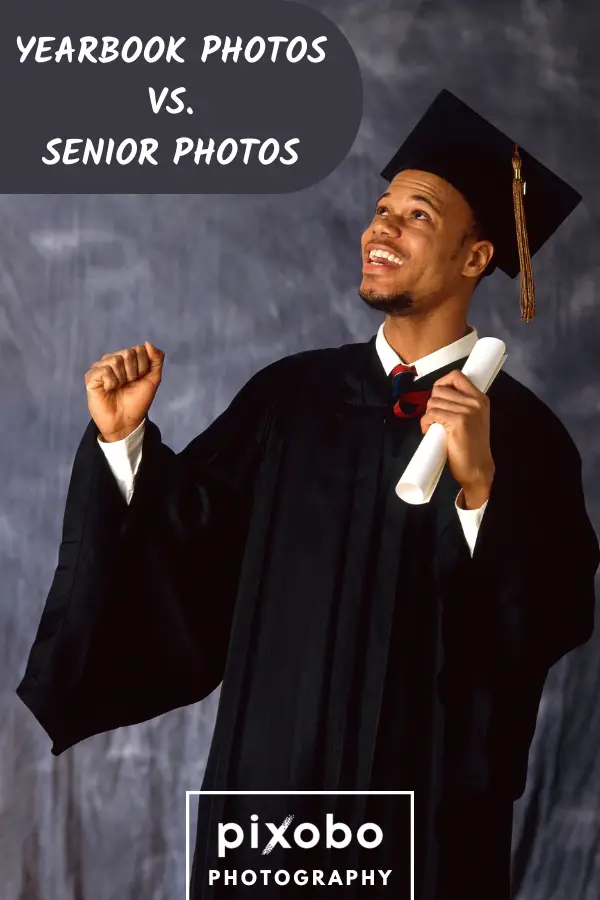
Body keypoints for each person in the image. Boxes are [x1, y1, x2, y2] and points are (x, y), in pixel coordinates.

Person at [17, 89, 599, 899]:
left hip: (421, 831)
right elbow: (186, 556)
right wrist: (124, 445)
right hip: (268, 817)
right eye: (381, 209)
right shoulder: (288, 400)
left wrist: (479, 491)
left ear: (477, 257)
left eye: (418, 215)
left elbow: (547, 622)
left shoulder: (523, 437)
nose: (381, 229)